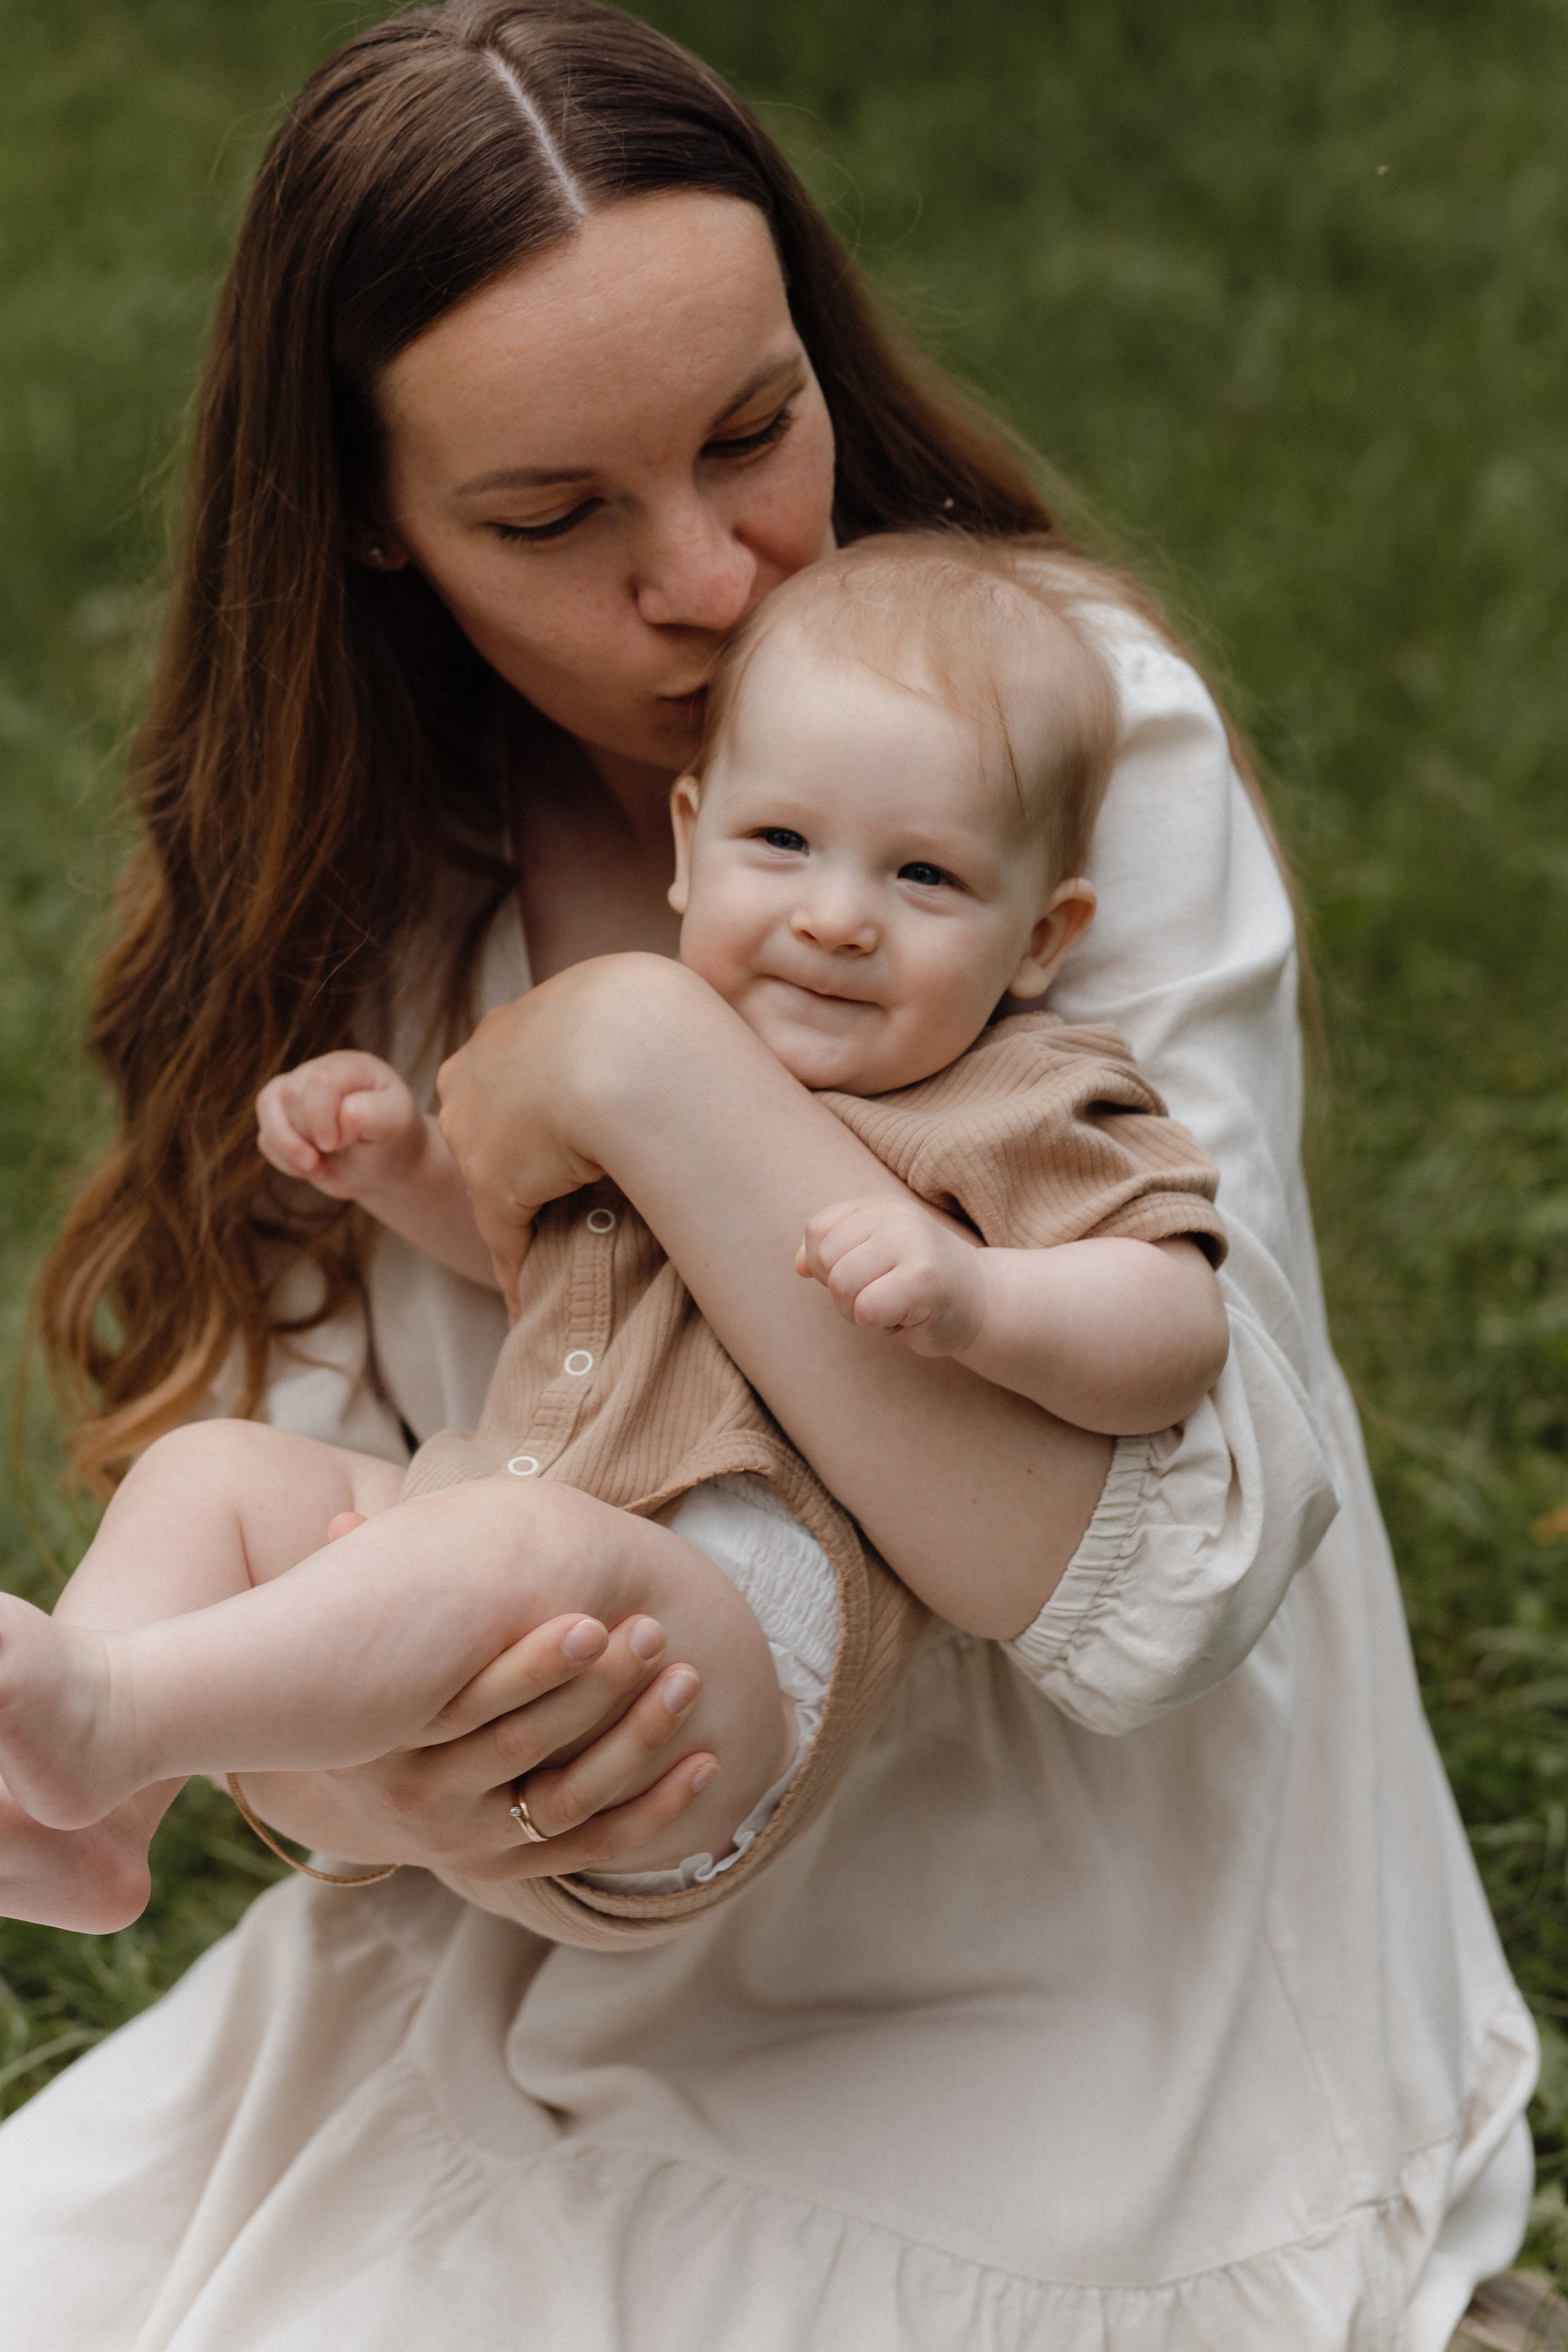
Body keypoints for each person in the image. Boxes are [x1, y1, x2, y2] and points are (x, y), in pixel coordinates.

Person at [0, 4, 1537, 2345]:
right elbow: (337, 1558)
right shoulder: (366, 890)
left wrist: (630, 1058)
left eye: (755, 431)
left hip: (1084, 1962)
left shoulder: (1036, 744)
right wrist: (413, 1801)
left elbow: (1150, 1592)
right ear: (378, 536)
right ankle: (67, 1749)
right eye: (551, 518)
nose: (712, 579)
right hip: (568, 1908)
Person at [0, 535, 1229, 1926]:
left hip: (726, 1655)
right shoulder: (644, 1102)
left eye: (925, 879)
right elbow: (538, 1281)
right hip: (505, 1546)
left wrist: (980, 1297)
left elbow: (1176, 1329)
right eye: (781, 843)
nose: (834, 919)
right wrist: (404, 1165)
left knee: (516, 1547)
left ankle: (108, 1709)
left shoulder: (1021, 1094)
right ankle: (86, 1824)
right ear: (689, 844)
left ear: (1042, 936)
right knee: (210, 1471)